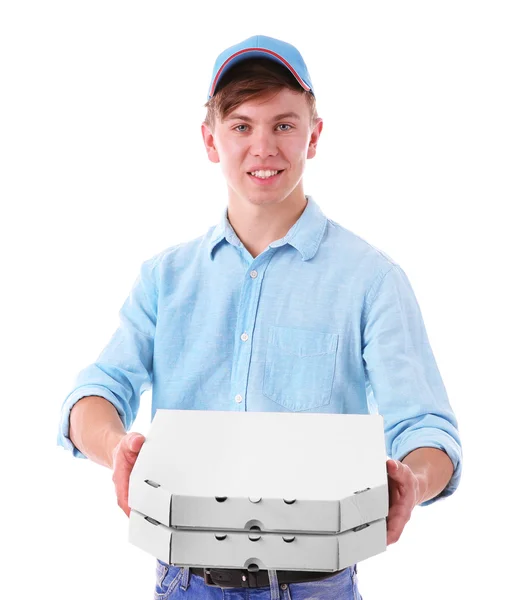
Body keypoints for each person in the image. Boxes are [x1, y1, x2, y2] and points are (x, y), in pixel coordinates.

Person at [57, 34, 463, 600]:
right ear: (210, 140)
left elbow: (428, 430)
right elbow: (94, 395)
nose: (263, 147)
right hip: (184, 583)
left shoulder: (372, 280)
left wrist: (412, 483)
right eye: (242, 126)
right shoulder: (164, 279)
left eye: (284, 125)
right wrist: (116, 448)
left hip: (319, 585)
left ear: (314, 136)